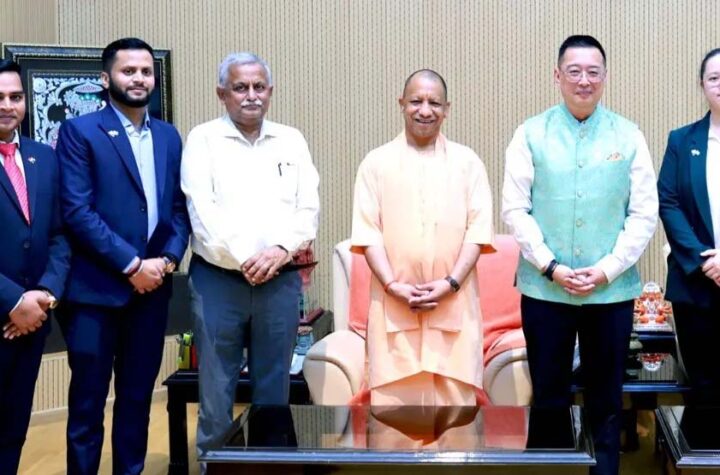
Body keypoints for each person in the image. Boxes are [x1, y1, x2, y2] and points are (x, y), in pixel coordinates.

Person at [501, 35, 658, 475]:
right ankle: (548, 470)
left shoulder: (629, 135)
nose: (583, 80)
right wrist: (550, 266)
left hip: (610, 293)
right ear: (558, 76)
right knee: (549, 397)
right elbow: (515, 209)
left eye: (593, 72)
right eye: (574, 71)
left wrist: (607, 269)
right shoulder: (530, 133)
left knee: (606, 402)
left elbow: (644, 213)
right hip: (545, 291)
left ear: (605, 77)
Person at [55, 38, 189, 474]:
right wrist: (132, 265)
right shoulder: (80, 131)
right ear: (105, 78)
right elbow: (77, 211)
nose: (138, 79)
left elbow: (178, 210)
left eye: (146, 71)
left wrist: (167, 261)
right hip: (95, 294)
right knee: (88, 404)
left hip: (152, 293)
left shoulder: (168, 136)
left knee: (137, 400)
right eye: (128, 71)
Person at [181, 52, 319, 457]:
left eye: (259, 87)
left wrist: (279, 251)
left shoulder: (291, 140)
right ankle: (215, 466)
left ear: (270, 91)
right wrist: (248, 258)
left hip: (279, 281)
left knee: (274, 392)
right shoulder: (203, 139)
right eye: (240, 87)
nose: (251, 95)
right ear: (222, 93)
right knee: (216, 394)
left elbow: (307, 209)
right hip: (219, 281)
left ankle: (270, 466)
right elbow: (202, 212)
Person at [350, 69, 495, 406]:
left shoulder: (468, 163)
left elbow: (478, 232)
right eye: (416, 101)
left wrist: (451, 283)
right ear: (401, 104)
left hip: (453, 310)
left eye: (434, 103)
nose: (425, 110)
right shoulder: (376, 163)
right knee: (393, 421)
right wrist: (392, 286)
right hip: (394, 312)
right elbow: (367, 234)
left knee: (457, 421)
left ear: (447, 109)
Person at [0, 59, 70, 475]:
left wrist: (44, 295)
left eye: (16, 97)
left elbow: (59, 235)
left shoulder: (44, 156)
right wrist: (14, 301)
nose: (7, 106)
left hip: (32, 322)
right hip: (9, 312)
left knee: (13, 429)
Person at [658, 48, 720, 407]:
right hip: (696, 282)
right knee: (703, 388)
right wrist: (705, 259)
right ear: (702, 85)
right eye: (714, 78)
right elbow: (668, 202)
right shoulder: (682, 141)